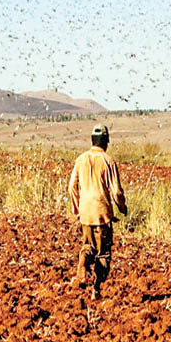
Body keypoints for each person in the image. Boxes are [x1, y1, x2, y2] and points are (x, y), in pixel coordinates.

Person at [68, 123, 127, 299]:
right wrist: (122, 207)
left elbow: (72, 187)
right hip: (102, 213)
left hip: (85, 212)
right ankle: (96, 289)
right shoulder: (108, 161)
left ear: (92, 140)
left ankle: (84, 260)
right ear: (106, 142)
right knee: (103, 253)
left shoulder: (80, 159)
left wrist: (76, 208)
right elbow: (116, 191)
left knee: (88, 245)